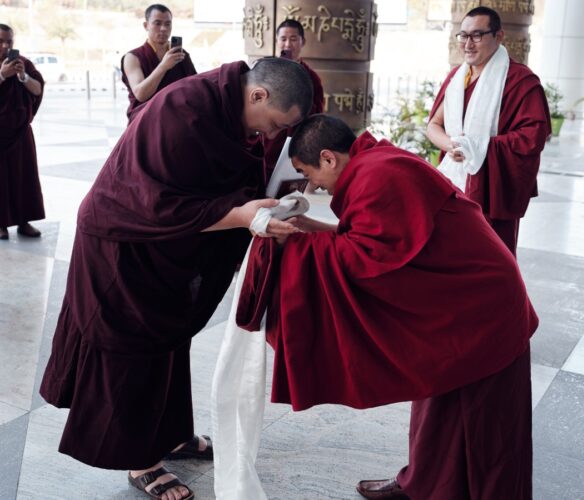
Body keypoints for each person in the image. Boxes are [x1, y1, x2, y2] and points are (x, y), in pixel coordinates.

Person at [39, 57, 313, 500]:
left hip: (163, 246)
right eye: (270, 125)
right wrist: (239, 214)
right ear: (258, 95)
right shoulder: (184, 109)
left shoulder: (224, 105)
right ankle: (141, 460)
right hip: (123, 239)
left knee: (169, 340)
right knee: (133, 344)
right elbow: (154, 203)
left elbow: (220, 174)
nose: (266, 135)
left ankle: (169, 434)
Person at [234, 114, 538, 499]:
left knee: (485, 424)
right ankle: (424, 483)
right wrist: (307, 226)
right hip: (461, 301)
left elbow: (364, 257)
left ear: (328, 158)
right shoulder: (371, 164)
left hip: (484, 307)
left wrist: (289, 248)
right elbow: (371, 237)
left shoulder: (380, 176)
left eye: (306, 172)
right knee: (436, 403)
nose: (311, 184)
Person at [426, 6, 550, 255]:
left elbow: (533, 137)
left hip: (493, 189)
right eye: (463, 36)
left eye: (477, 35)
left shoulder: (519, 80)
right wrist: (452, 145)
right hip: (454, 185)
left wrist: (477, 147)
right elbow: (433, 125)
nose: (468, 44)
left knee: (491, 259)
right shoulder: (456, 78)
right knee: (450, 255)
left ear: (499, 36)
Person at [261, 19, 325, 181]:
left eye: (293, 39)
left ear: (303, 42)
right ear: (277, 41)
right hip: (265, 144)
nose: (288, 44)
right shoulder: (266, 71)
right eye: (283, 39)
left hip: (294, 149)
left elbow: (316, 115)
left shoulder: (311, 78)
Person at [0, 24, 45, 240]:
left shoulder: (24, 63)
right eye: (1, 41)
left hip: (20, 131)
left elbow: (38, 89)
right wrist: (1, 76)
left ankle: (24, 220)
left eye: (9, 42)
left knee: (24, 176)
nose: (5, 46)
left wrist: (23, 77)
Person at [121, 4, 197, 122]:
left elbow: (194, 87)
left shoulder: (182, 55)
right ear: (146, 25)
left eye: (168, 24)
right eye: (157, 23)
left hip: (177, 117)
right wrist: (163, 66)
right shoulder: (133, 57)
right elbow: (141, 94)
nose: (163, 29)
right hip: (145, 119)